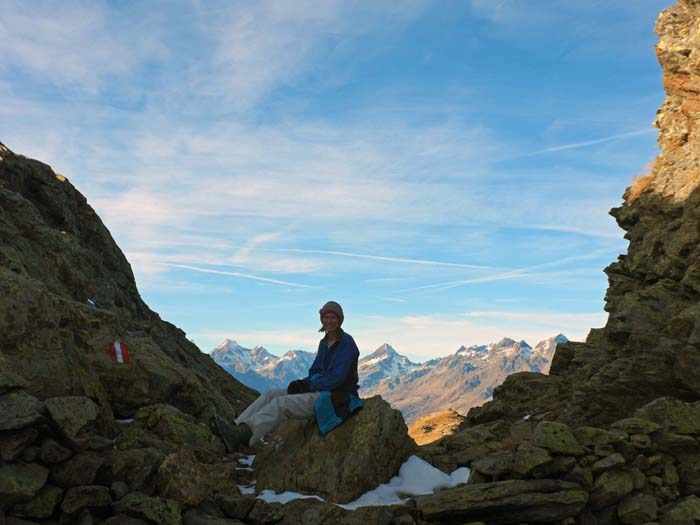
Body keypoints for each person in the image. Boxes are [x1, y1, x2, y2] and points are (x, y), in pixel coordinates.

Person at [213, 301, 363, 451]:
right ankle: (236, 427)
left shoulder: (347, 344)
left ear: (340, 320)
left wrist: (308, 386)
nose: (329, 321)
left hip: (335, 396)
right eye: (326, 317)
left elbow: (337, 379)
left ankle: (244, 435)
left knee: (282, 403)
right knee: (270, 394)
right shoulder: (324, 343)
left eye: (333, 317)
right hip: (319, 388)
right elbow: (315, 371)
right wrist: (301, 383)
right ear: (322, 319)